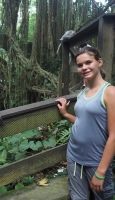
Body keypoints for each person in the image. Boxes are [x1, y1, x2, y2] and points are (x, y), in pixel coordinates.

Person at [56, 46, 115, 200]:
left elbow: (114, 135)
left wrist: (101, 172)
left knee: (102, 197)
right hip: (74, 157)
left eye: (88, 62)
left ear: (99, 62)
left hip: (96, 161)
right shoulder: (83, 92)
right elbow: (84, 122)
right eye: (80, 65)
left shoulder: (110, 93)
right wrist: (65, 114)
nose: (84, 67)